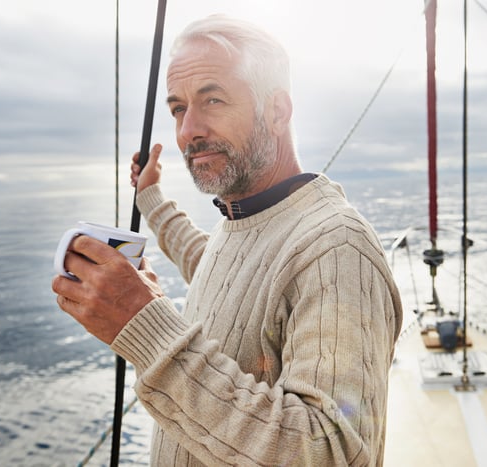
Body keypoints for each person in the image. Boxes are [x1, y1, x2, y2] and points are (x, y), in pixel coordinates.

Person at [52, 14, 403, 466]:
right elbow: (214, 264)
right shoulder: (243, 221)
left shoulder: (336, 248)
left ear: (277, 111)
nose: (188, 131)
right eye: (178, 108)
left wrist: (143, 327)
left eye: (212, 99)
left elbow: (330, 453)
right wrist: (151, 203)